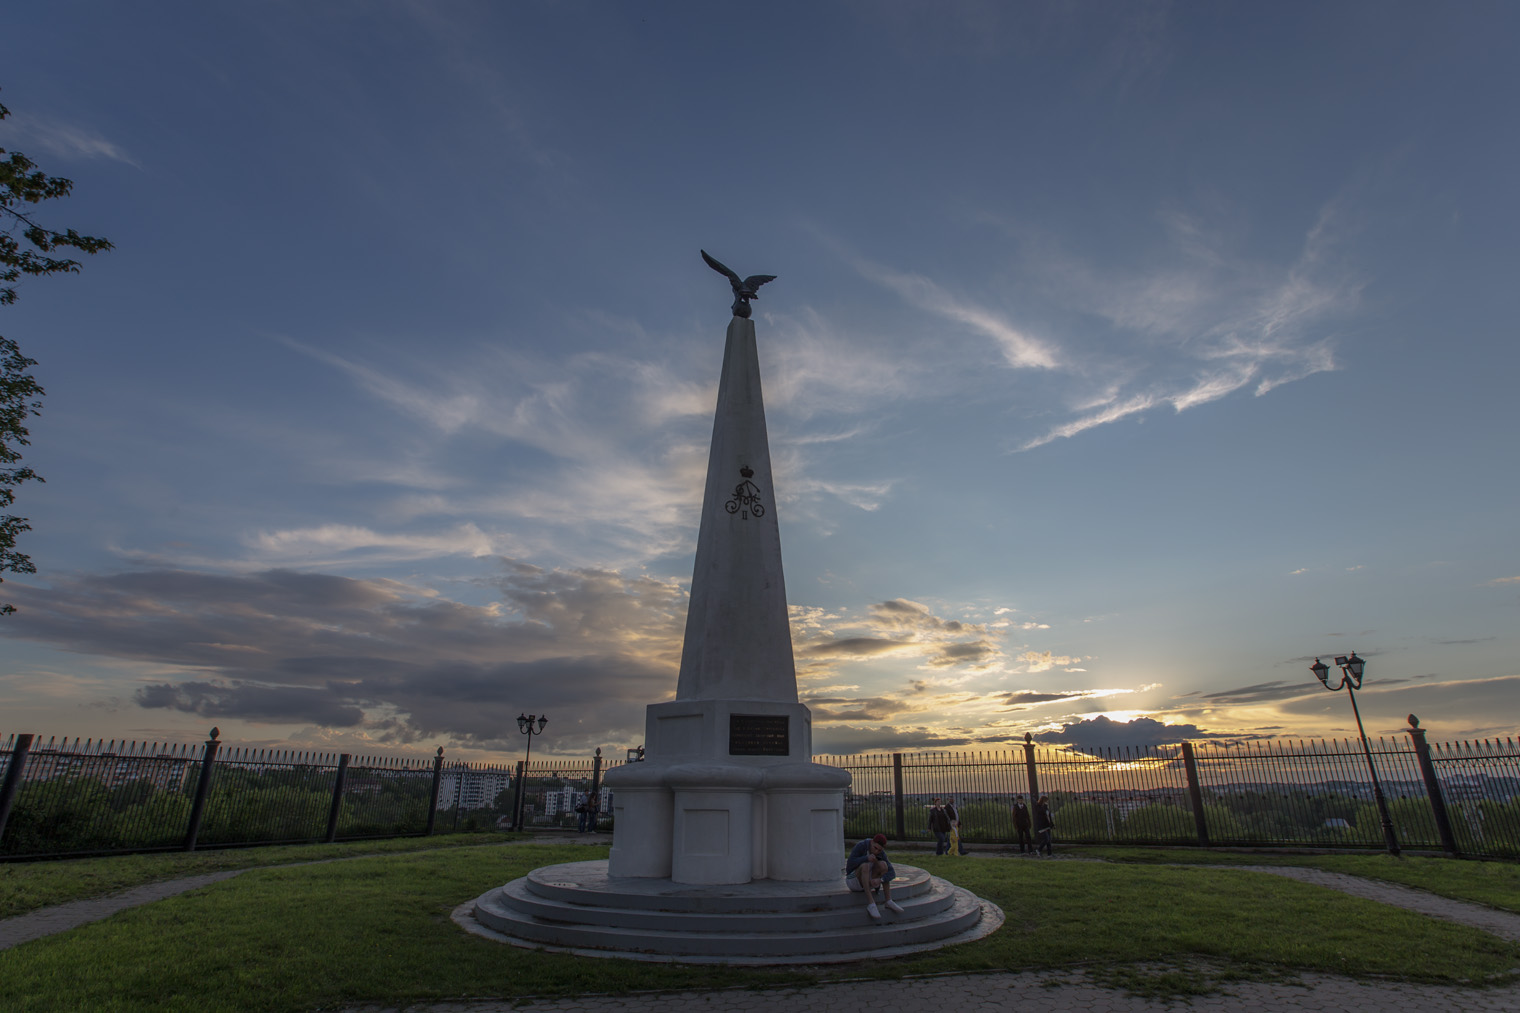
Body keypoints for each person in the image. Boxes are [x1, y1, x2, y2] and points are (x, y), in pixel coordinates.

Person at [845, 833, 904, 922]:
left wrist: (880, 879)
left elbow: (892, 872)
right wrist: (866, 858)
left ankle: (888, 900)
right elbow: (849, 865)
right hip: (854, 880)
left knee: (883, 865)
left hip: (868, 881)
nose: (876, 851)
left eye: (879, 850)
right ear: (872, 842)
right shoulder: (861, 846)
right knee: (865, 866)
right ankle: (871, 903)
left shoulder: (881, 853)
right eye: (875, 848)